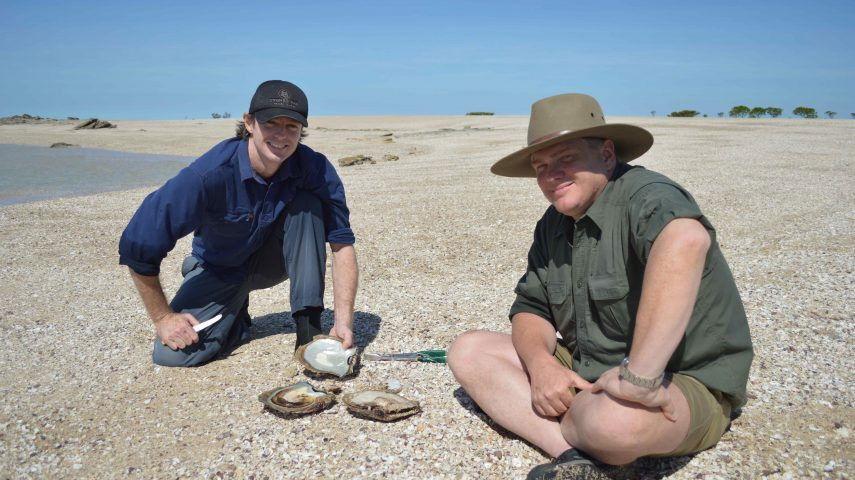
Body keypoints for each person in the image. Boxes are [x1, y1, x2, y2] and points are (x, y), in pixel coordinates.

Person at [447, 93, 753, 479]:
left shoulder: (647, 196)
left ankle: (589, 431)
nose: (550, 175)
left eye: (566, 159)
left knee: (614, 424)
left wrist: (639, 379)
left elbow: (686, 240)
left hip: (679, 384)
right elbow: (531, 308)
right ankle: (573, 457)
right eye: (541, 166)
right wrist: (542, 367)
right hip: (590, 372)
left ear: (607, 155)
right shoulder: (554, 223)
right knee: (468, 351)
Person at [119, 80, 358, 367]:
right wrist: (163, 317)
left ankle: (308, 329)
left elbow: (342, 245)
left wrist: (344, 322)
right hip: (219, 268)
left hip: (274, 262)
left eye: (292, 126)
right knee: (172, 354)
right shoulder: (208, 175)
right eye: (271, 123)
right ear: (249, 123)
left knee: (308, 205)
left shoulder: (315, 168)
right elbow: (138, 246)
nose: (282, 136)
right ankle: (232, 315)